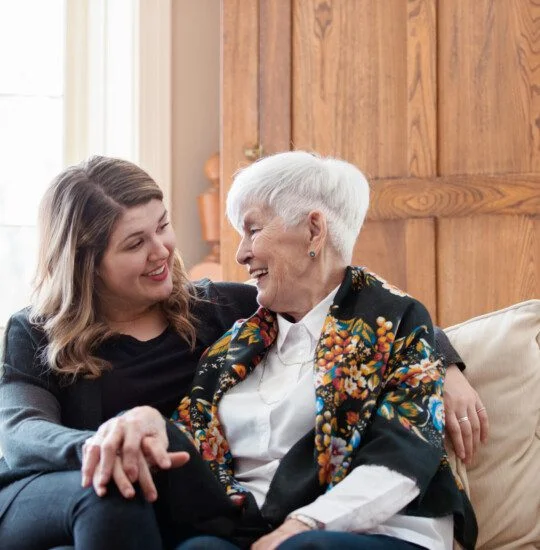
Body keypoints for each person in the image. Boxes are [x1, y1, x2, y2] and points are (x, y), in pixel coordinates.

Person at [0, 154, 483, 550]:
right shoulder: (37, 329)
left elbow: (345, 292)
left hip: (168, 498)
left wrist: (444, 360)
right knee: (111, 488)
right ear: (87, 263)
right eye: (134, 243)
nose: (162, 250)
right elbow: (18, 433)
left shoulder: (212, 309)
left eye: (162, 227)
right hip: (53, 482)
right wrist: (104, 445)